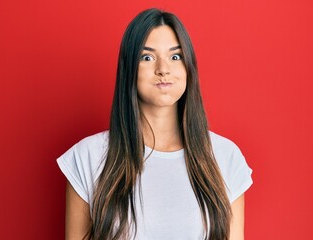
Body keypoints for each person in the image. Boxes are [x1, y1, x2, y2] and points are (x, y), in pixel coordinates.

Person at [57, 8, 252, 240]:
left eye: (175, 56)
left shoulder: (225, 157)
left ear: (188, 67)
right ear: (130, 68)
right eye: (147, 57)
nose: (163, 69)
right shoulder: (86, 157)